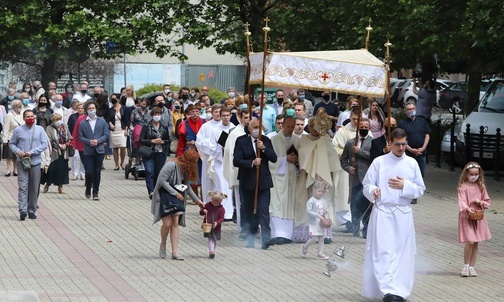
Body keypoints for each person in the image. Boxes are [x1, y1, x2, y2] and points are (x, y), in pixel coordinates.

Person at [362, 128, 426, 302]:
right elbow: (366, 184)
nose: (401, 148)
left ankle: (400, 290)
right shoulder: (379, 162)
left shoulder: (412, 164)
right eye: (397, 144)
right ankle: (387, 290)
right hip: (383, 212)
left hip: (403, 214)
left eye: (404, 144)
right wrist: (373, 191)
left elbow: (420, 190)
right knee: (383, 251)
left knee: (402, 252)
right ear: (389, 143)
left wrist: (405, 185)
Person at [294, 109, 338, 243]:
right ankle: (308, 234)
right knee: (308, 205)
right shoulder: (304, 139)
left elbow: (333, 158)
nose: (314, 128)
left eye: (317, 125)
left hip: (323, 180)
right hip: (307, 177)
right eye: (312, 126)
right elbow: (301, 155)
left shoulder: (326, 140)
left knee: (324, 206)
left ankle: (325, 235)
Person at [151, 149, 204, 260]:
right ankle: (163, 244)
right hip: (165, 196)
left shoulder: (185, 169)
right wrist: (175, 193)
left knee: (175, 223)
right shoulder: (171, 165)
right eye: (194, 161)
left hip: (177, 198)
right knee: (167, 223)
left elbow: (186, 187)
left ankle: (175, 252)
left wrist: (197, 201)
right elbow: (161, 181)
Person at [233, 117, 277, 249]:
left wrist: (264, 149)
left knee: (263, 210)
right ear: (250, 129)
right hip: (248, 183)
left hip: (263, 183)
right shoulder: (242, 142)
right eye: (255, 128)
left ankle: (266, 239)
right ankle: (251, 237)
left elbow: (274, 158)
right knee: (251, 211)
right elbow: (236, 160)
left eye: (260, 127)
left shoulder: (266, 141)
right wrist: (251, 163)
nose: (258, 130)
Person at [9, 109, 48, 220]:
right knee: (23, 186)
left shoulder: (40, 129)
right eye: (27, 117)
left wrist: (33, 151)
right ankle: (22, 210)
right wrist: (18, 151)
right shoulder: (18, 130)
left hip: (35, 162)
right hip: (22, 162)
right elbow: (12, 143)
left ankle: (31, 209)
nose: (30, 118)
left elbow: (44, 144)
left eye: (32, 116)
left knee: (34, 187)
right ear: (23, 118)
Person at [269, 116, 299, 244]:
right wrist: (285, 159)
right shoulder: (274, 140)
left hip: (293, 177)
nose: (291, 129)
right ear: (282, 125)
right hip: (279, 178)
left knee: (290, 204)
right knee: (277, 204)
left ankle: (288, 234)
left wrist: (297, 161)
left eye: (293, 127)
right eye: (288, 126)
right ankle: (277, 233)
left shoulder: (297, 140)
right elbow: (271, 160)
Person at [457, 162, 491, 277]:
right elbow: (461, 201)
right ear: (467, 174)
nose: (474, 176)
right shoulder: (462, 187)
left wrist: (481, 202)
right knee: (470, 241)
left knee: (476, 242)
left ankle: (472, 267)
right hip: (467, 217)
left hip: (478, 217)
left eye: (476, 174)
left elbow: (487, 201)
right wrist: (467, 208)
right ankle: (465, 266)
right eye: (471, 174)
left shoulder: (481, 186)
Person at [340, 118, 373, 238]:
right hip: (354, 180)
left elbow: (373, 158)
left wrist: (360, 151)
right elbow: (343, 160)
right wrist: (348, 168)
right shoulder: (350, 142)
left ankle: (367, 229)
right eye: (362, 127)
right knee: (354, 204)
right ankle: (355, 227)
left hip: (367, 179)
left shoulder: (373, 142)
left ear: (369, 128)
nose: (364, 129)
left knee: (367, 206)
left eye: (366, 127)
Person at [223, 108, 250, 233]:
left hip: (253, 173)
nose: (248, 121)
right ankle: (242, 227)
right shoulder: (235, 133)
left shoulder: (254, 130)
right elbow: (231, 154)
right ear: (240, 117)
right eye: (245, 118)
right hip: (240, 173)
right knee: (241, 202)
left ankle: (252, 227)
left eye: (250, 117)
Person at [78, 101, 109, 200]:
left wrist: (98, 141)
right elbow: (80, 136)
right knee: (89, 171)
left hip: (99, 150)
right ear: (86, 110)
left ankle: (95, 192)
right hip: (88, 151)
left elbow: (106, 134)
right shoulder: (83, 123)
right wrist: (88, 141)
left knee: (97, 172)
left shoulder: (102, 121)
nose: (92, 110)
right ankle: (88, 187)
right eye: (90, 108)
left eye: (93, 108)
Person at [139, 107, 170, 199]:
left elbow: (168, 139)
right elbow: (141, 140)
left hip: (160, 152)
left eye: (159, 114)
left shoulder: (163, 126)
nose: (157, 116)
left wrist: (163, 142)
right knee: (149, 171)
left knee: (158, 172)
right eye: (155, 114)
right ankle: (151, 191)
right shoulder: (147, 126)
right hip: (149, 152)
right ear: (152, 116)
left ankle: (157, 190)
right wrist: (151, 141)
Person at [398, 101, 431, 179]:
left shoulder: (422, 121)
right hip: (408, 153)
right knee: (408, 175)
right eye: (409, 109)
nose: (411, 111)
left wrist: (423, 148)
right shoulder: (402, 123)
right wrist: (411, 149)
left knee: (420, 175)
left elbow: (427, 135)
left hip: (421, 153)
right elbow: (401, 138)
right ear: (405, 112)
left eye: (412, 108)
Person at [300, 181, 330, 260]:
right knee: (315, 238)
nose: (320, 193)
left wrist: (326, 211)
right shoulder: (311, 200)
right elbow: (308, 211)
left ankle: (320, 253)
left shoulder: (323, 200)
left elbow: (326, 208)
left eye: (322, 192)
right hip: (314, 222)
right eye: (319, 191)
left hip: (321, 222)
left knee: (322, 237)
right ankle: (305, 246)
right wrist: (317, 215)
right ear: (314, 190)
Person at [43, 113, 72, 194]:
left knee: (62, 170)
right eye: (57, 120)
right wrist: (58, 145)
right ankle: (48, 184)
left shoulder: (65, 127)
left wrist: (65, 145)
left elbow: (69, 138)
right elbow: (48, 140)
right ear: (53, 121)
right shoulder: (49, 128)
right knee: (52, 169)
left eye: (60, 119)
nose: (59, 121)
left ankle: (61, 186)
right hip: (54, 153)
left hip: (64, 152)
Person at [200, 191, 226, 259]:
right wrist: (203, 211)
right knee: (210, 238)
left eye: (217, 203)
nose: (215, 204)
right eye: (214, 202)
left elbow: (222, 218)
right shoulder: (208, 205)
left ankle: (212, 250)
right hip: (208, 225)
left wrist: (217, 222)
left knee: (214, 239)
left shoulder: (221, 209)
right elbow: (201, 211)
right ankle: (211, 251)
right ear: (211, 199)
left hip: (216, 226)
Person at [3, 99, 24, 176]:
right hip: (11, 137)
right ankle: (8, 170)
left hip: (20, 138)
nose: (20, 107)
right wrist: (4, 139)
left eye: (21, 105)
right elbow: (6, 128)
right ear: (14, 106)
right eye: (18, 106)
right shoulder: (9, 115)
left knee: (16, 156)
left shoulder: (22, 115)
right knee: (9, 155)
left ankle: (16, 170)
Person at [109, 95, 128, 170]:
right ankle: (116, 164)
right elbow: (108, 119)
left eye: (114, 98)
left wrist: (126, 129)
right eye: (112, 98)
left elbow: (127, 119)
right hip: (114, 130)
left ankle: (122, 162)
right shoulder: (110, 109)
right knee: (115, 147)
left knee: (123, 146)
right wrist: (110, 124)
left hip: (122, 129)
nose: (113, 100)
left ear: (118, 99)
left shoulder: (124, 108)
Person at [68, 103, 85, 180]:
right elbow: (70, 128)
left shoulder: (86, 117)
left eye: (82, 108)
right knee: (75, 157)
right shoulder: (72, 117)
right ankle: (75, 173)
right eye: (79, 108)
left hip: (84, 140)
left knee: (83, 158)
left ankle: (83, 173)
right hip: (74, 139)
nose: (80, 109)